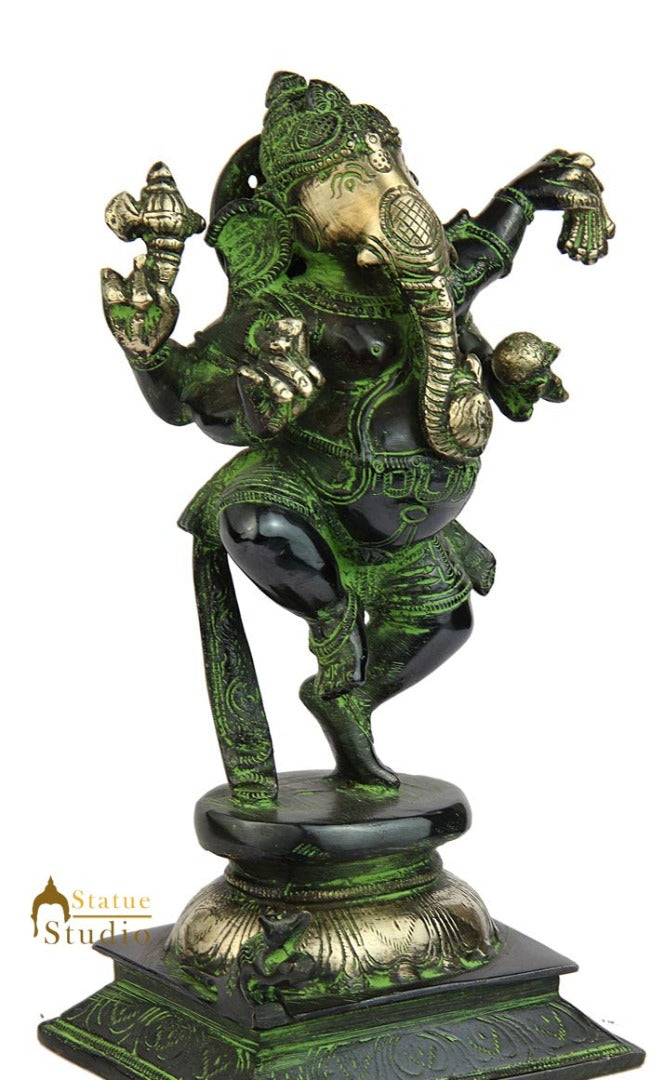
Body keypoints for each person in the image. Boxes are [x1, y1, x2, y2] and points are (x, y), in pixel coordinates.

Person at [102, 71, 614, 803]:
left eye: (391, 167)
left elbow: (482, 245)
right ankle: (333, 621)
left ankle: (346, 702)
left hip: (406, 528)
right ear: (300, 213)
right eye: (349, 183)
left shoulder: (427, 280)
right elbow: (194, 399)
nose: (389, 192)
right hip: (316, 498)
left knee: (444, 627)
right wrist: (154, 357)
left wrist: (533, 195)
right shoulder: (288, 304)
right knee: (254, 522)